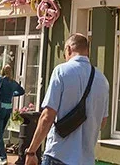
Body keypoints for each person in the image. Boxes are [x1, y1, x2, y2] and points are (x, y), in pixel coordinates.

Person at [25, 33, 109, 165]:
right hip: (86, 159)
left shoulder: (61, 72)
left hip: (59, 155)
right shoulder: (102, 80)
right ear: (87, 51)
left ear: (69, 49)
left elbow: (47, 117)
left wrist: (31, 151)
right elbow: (103, 122)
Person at [0, 64, 27, 165]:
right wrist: (12, 94)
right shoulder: (13, 82)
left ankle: (3, 157)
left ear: (2, 70)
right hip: (8, 108)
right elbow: (22, 91)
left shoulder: (0, 79)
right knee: (0, 133)